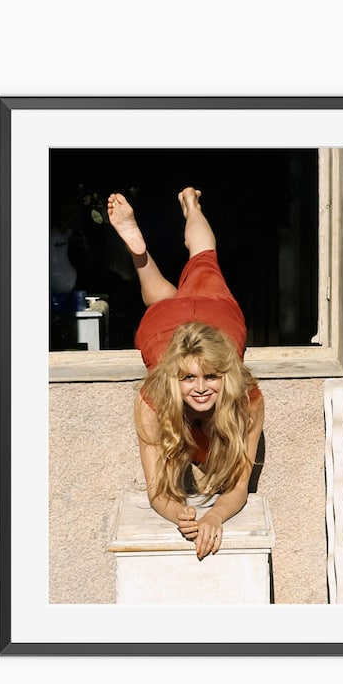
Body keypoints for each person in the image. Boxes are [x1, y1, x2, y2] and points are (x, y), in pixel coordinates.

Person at [107, 187, 264, 560]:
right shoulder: (156, 400)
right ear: (172, 378)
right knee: (200, 259)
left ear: (226, 375)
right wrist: (182, 515)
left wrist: (213, 516)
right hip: (197, 322)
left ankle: (143, 252)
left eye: (211, 377)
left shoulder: (245, 398)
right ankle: (191, 205)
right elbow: (167, 493)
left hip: (191, 324)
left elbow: (162, 492)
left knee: (184, 275)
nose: (201, 388)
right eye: (189, 378)